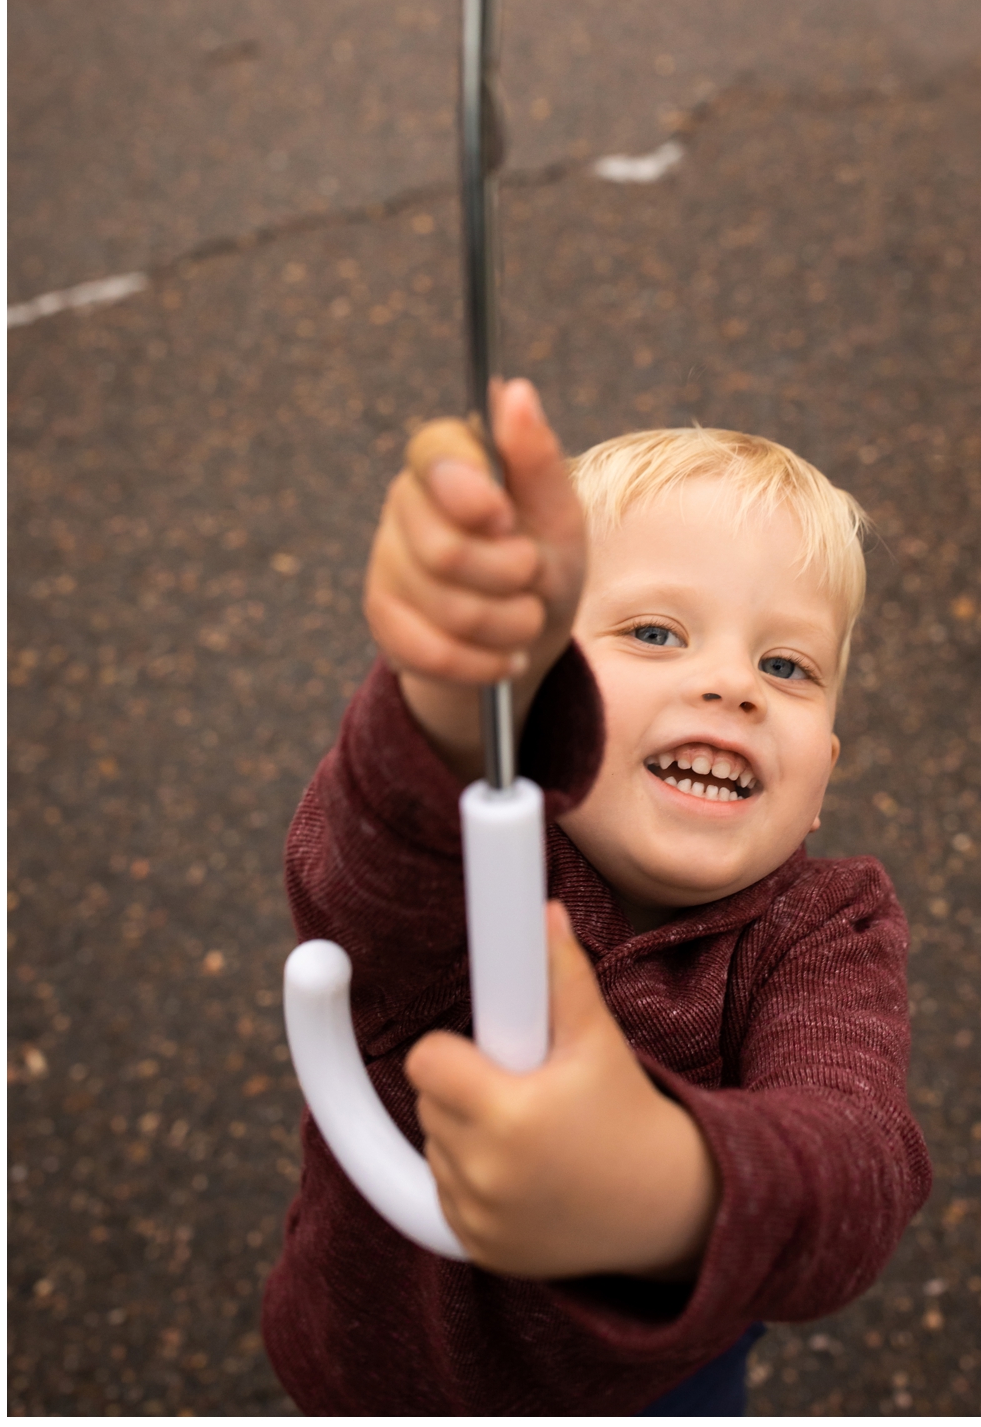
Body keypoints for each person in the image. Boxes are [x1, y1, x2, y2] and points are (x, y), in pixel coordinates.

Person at [261, 379, 932, 1411]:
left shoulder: (826, 929)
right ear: (536, 699)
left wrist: (667, 1188)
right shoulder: (473, 839)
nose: (733, 685)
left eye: (787, 664)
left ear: (824, 773)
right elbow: (361, 870)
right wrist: (446, 696)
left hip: (654, 1387)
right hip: (371, 1367)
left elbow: (861, 1162)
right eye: (656, 634)